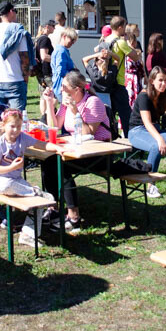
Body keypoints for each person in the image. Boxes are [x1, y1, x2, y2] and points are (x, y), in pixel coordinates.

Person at [41, 70, 112, 233]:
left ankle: (74, 216)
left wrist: (75, 110)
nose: (61, 90)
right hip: (76, 148)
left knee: (61, 164)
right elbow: (55, 126)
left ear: (77, 89)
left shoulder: (92, 102)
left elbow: (89, 133)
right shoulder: (67, 102)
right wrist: (50, 104)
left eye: (64, 87)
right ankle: (53, 207)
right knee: (48, 160)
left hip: (99, 152)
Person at [0, 109, 57, 247]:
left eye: (18, 127)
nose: (15, 130)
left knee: (41, 201)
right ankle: (35, 191)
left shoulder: (22, 138)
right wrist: (11, 167)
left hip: (17, 182)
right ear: (3, 125)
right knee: (6, 185)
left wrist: (57, 148)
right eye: (12, 126)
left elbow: (41, 144)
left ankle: (28, 235)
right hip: (1, 181)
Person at [127, 66, 166, 198]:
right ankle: (150, 185)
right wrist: (160, 139)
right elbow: (146, 123)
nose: (163, 84)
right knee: (155, 146)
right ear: (152, 81)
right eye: (160, 80)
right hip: (137, 131)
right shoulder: (144, 96)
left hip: (155, 130)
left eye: (165, 80)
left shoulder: (165, 94)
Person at [0, 1, 30, 110]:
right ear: (11, 11)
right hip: (15, 80)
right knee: (17, 121)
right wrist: (25, 78)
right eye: (15, 11)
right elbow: (24, 58)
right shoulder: (18, 31)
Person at [106, 16, 141, 136]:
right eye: (125, 26)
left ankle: (112, 136)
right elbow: (135, 57)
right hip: (119, 82)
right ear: (120, 27)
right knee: (126, 115)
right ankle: (131, 140)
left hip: (107, 82)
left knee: (110, 113)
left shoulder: (105, 40)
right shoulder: (120, 42)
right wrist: (127, 43)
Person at [81, 43, 118, 107]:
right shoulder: (110, 72)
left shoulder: (93, 73)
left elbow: (84, 60)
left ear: (96, 62)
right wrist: (109, 53)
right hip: (107, 98)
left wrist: (97, 55)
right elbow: (118, 59)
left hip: (94, 97)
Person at [50, 26, 77, 99]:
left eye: (74, 41)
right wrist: (74, 74)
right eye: (72, 40)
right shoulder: (61, 51)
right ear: (64, 36)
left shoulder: (62, 50)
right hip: (63, 87)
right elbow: (61, 71)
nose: (73, 43)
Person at [33, 24, 54, 89]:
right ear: (47, 27)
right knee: (53, 94)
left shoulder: (38, 38)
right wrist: (57, 60)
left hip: (40, 71)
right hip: (46, 73)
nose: (54, 28)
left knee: (45, 96)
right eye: (53, 26)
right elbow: (44, 56)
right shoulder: (45, 39)